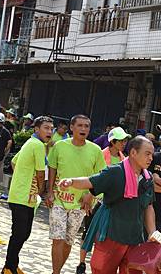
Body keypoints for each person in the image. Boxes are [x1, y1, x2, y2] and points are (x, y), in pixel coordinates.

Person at [58, 136, 161, 274]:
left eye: (152, 155)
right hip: (111, 236)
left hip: (135, 239)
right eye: (147, 154)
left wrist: (152, 232)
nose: (151, 158)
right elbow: (90, 181)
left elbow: (148, 206)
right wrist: (71, 182)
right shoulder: (115, 172)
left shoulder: (148, 179)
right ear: (133, 153)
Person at [47, 114, 106, 274]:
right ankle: (55, 272)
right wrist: (50, 191)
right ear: (72, 128)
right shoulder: (59, 146)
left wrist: (91, 194)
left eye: (87, 126)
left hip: (81, 203)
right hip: (59, 199)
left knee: (68, 241)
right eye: (80, 125)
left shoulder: (95, 150)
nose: (83, 129)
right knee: (57, 238)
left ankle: (57, 270)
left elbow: (100, 175)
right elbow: (52, 167)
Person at [1, 116, 54, 274]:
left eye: (51, 128)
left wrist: (22, 177)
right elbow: (39, 174)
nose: (49, 131)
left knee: (23, 233)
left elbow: (14, 162)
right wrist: (41, 191)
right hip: (22, 197)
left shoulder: (31, 143)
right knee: (19, 233)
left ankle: (12, 264)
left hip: (23, 196)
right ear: (36, 129)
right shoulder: (37, 145)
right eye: (46, 128)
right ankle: (9, 267)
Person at [76, 126, 129, 273]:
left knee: (104, 236)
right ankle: (81, 263)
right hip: (96, 199)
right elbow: (92, 176)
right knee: (88, 232)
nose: (123, 143)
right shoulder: (100, 155)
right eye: (121, 140)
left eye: (125, 140)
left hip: (111, 202)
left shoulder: (124, 159)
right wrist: (88, 194)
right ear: (112, 141)